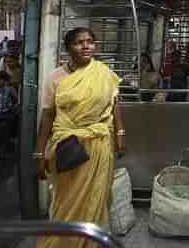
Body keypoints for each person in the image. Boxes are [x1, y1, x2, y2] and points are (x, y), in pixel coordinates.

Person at [34, 27, 125, 248]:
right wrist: (38, 151)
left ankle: (89, 243)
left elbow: (114, 105)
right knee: (66, 200)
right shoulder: (55, 78)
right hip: (67, 145)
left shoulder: (103, 73)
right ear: (68, 48)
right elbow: (47, 116)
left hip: (99, 144)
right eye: (79, 42)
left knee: (96, 198)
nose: (86, 46)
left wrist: (120, 133)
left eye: (90, 42)